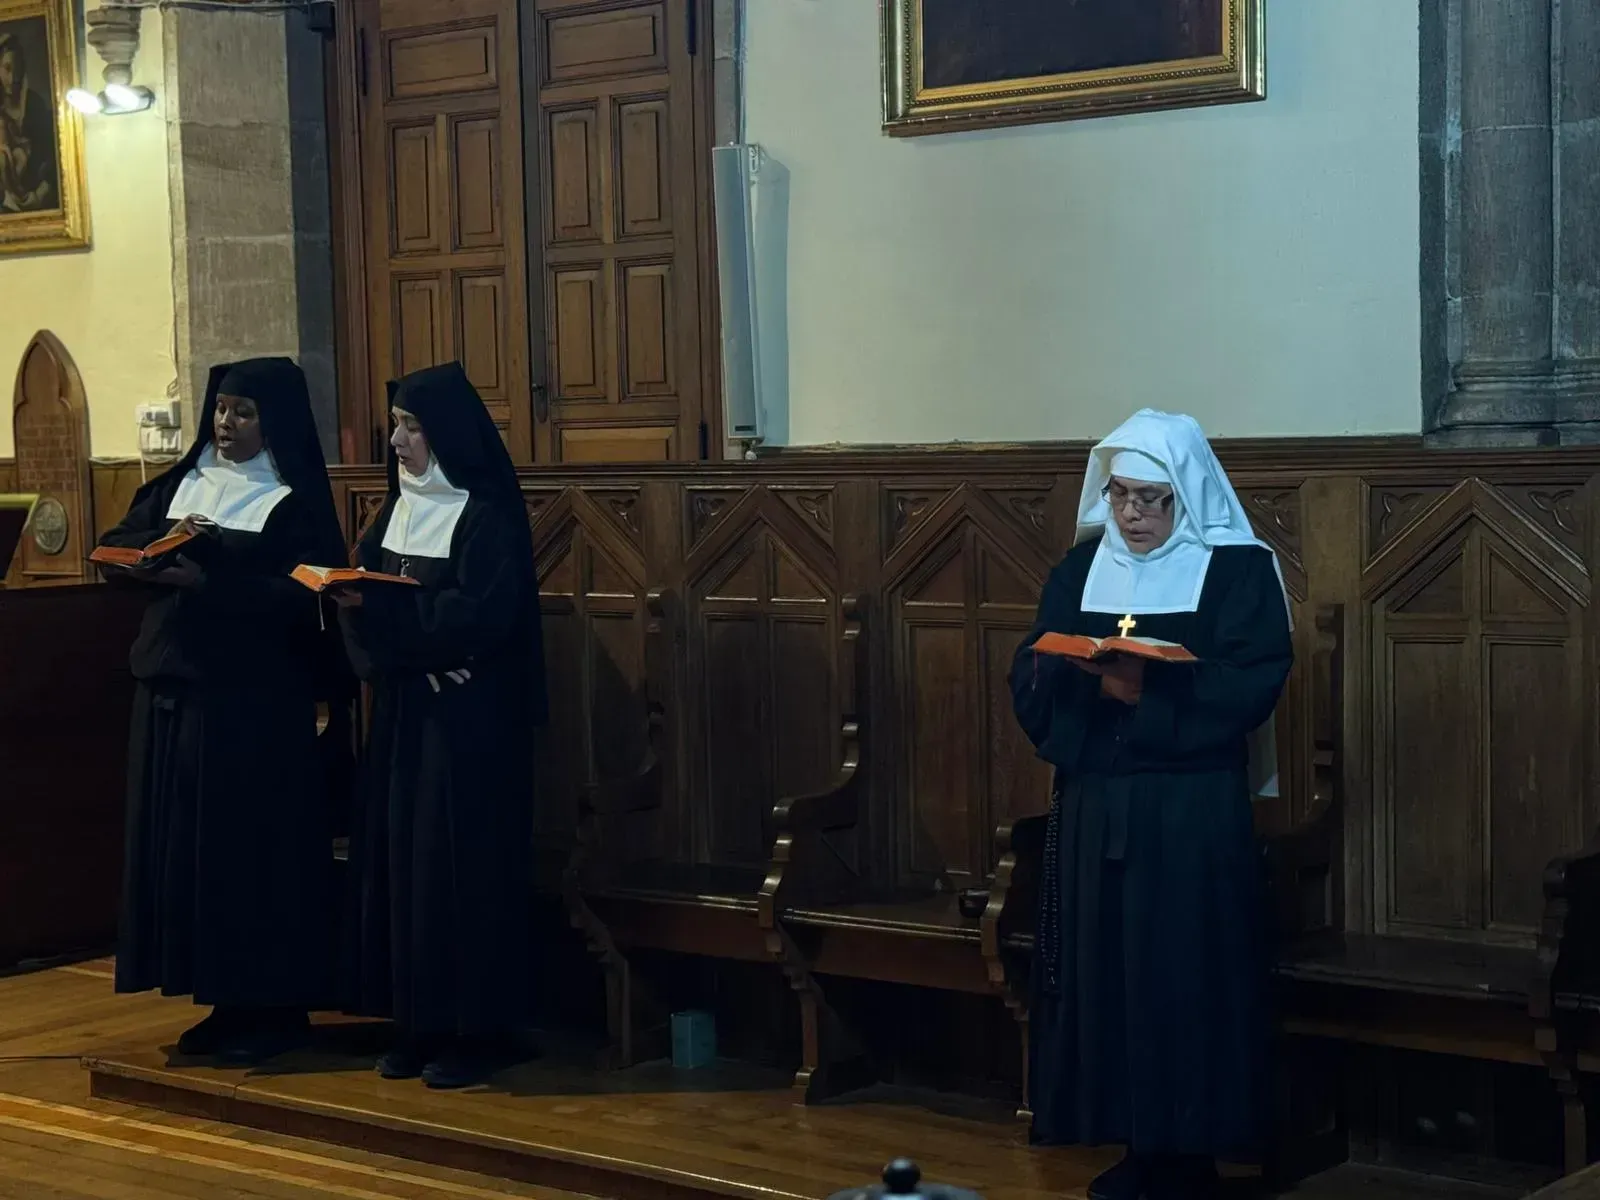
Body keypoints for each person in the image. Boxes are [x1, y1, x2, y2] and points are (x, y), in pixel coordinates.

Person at [1009, 409, 1292, 1200]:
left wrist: (1148, 695)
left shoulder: (1235, 570)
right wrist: (1075, 672)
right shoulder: (1080, 569)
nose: (1130, 516)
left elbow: (1256, 677)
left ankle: (1193, 1150)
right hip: (1098, 802)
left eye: (1150, 500)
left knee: (1183, 972)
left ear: (1187, 496)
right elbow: (1032, 664)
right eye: (1120, 496)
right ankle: (1134, 1139)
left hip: (1189, 811)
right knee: (1111, 973)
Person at [97, 358, 348, 1065]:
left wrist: (206, 580)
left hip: (252, 703)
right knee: (188, 857)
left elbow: (302, 596)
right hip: (174, 687)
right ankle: (217, 996)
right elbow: (125, 535)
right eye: (221, 410)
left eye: (242, 413)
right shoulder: (183, 482)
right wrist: (138, 561)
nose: (224, 425)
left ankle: (270, 1004)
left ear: (274, 422)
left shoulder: (293, 502)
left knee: (249, 857)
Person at [334, 361, 547, 1090]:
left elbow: (482, 616)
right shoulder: (389, 515)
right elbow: (363, 602)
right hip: (407, 715)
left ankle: (478, 1030)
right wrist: (404, 656)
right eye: (395, 425)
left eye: (411, 427)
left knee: (460, 873)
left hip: (471, 729)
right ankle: (417, 1022)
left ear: (446, 434)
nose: (396, 441)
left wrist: (412, 638)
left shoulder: (486, 515)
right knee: (405, 869)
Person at [0, 32, 58, 212]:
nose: (13, 78)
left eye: (17, 70)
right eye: (7, 69)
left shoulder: (34, 105)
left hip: (38, 196)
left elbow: (52, 155)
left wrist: (40, 193)